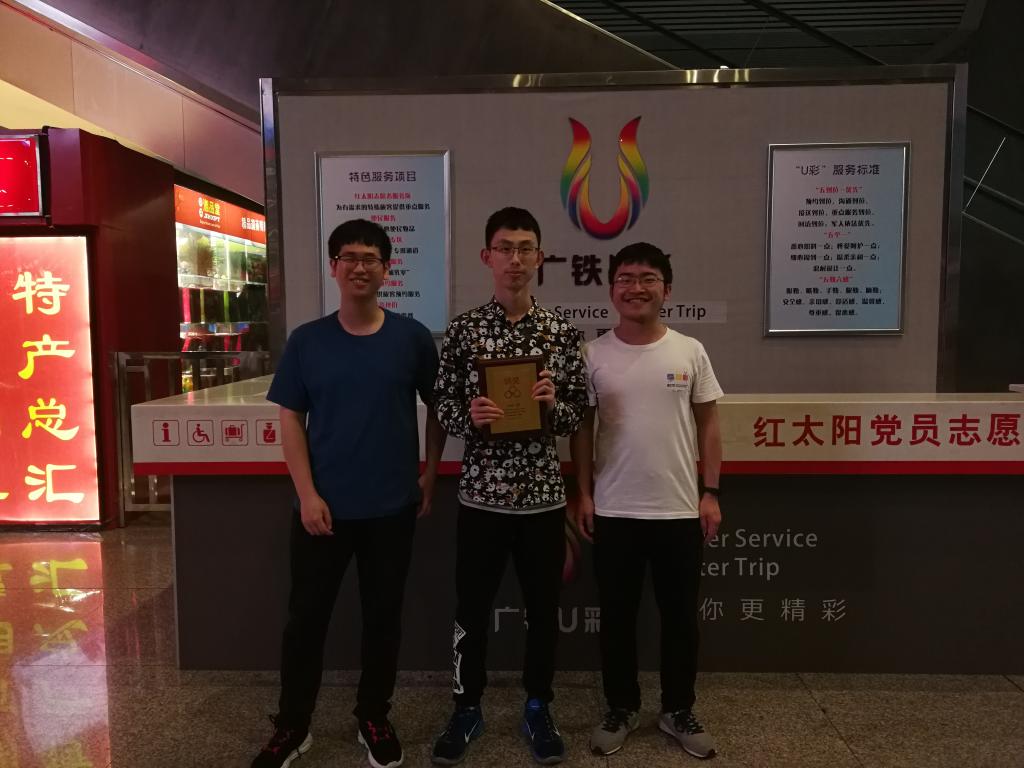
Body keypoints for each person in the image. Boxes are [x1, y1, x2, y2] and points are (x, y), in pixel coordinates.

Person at [251, 219, 445, 768]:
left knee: (383, 618)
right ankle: (293, 725)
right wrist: (307, 494)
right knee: (305, 621)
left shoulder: (411, 337)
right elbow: (291, 419)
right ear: (334, 266)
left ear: (387, 268)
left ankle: (373, 715)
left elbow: (440, 407)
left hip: (392, 507)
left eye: (371, 258)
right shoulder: (308, 340)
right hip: (323, 510)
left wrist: (430, 473)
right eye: (350, 257)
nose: (360, 267)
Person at [430, 207, 587, 765]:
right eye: (504, 248)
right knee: (471, 608)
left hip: (543, 499)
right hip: (482, 498)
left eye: (525, 248)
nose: (515, 259)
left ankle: (538, 706)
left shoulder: (561, 333)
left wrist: (553, 406)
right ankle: (466, 707)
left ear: (540, 257)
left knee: (543, 611)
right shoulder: (465, 330)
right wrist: (469, 415)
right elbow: (442, 405)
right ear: (487, 257)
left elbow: (576, 415)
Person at [570, 242, 722, 760]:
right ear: (611, 288)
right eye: (626, 278)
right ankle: (621, 706)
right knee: (617, 617)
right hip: (615, 510)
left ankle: (678, 709)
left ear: (667, 289)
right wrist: (584, 493)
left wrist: (710, 492)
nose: (636, 287)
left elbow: (709, 425)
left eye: (648, 278)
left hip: (679, 510)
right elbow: (582, 430)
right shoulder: (593, 354)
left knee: (680, 619)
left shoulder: (690, 350)